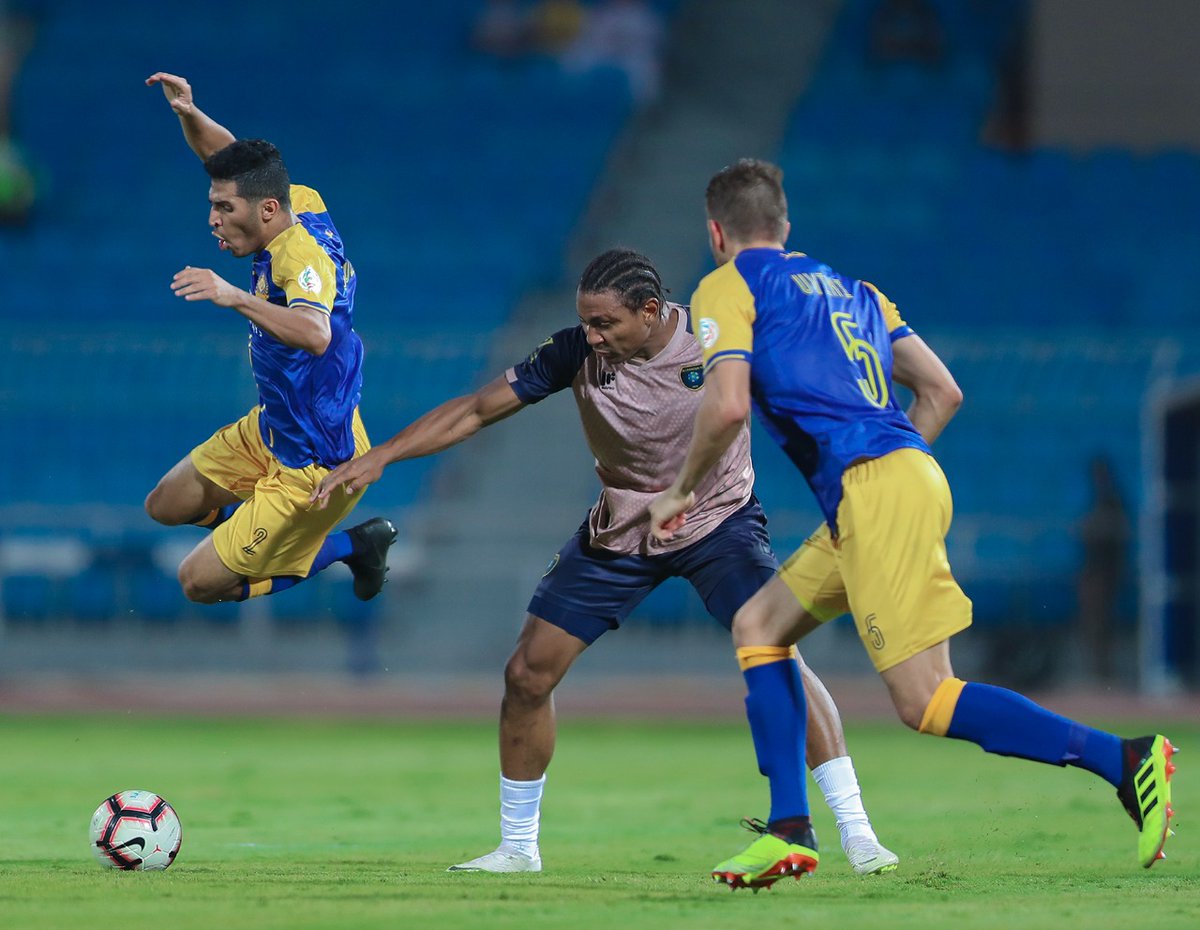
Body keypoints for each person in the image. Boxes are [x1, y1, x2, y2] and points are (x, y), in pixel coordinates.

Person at [649, 159, 1176, 889]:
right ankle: (789, 830)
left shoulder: (728, 285)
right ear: (786, 224)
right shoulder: (858, 291)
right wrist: (891, 478)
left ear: (716, 233)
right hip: (899, 475)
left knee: (926, 700)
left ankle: (1124, 760)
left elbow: (729, 404)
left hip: (876, 490)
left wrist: (680, 491)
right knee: (759, 628)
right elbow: (942, 390)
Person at [312, 248, 899, 876]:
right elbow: (479, 408)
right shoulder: (576, 353)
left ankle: (858, 834)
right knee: (526, 676)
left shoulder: (719, 342)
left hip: (718, 524)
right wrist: (385, 457)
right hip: (620, 533)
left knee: (778, 657)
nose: (590, 337)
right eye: (585, 323)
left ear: (651, 312)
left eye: (604, 325)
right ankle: (518, 847)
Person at [142, 72, 396, 606]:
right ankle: (272, 535)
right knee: (165, 505)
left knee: (199, 583)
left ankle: (352, 544)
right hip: (275, 427)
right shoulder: (293, 200)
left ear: (265, 212)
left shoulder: (300, 259)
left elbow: (315, 333)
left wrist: (233, 296)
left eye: (223, 209)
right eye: (213, 205)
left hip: (317, 462)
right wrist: (190, 114)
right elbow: (233, 157)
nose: (213, 219)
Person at [1076, 455, 1130, 682]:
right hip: (1095, 570)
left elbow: (1120, 531)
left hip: (1106, 572)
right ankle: (1098, 668)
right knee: (1094, 623)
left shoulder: (1113, 501)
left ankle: (1105, 670)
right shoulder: (1098, 499)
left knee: (1102, 623)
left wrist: (1091, 527)